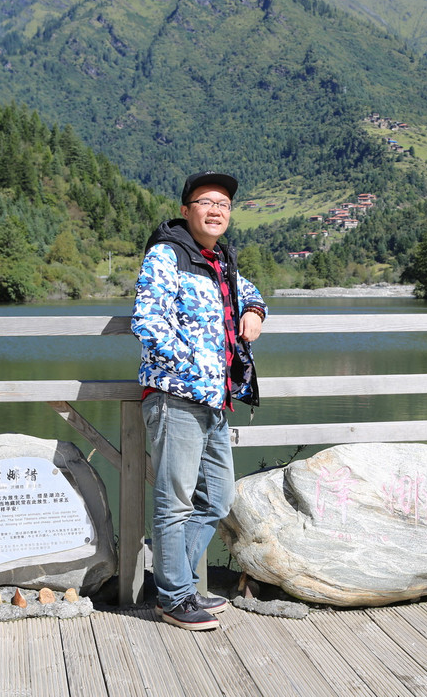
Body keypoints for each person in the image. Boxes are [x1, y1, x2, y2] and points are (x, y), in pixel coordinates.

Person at [131, 171, 267, 630]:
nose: (216, 210)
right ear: (187, 209)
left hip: (215, 402)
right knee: (174, 502)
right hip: (176, 398)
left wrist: (253, 311)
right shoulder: (166, 255)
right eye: (206, 202)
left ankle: (182, 587)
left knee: (217, 498)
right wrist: (194, 369)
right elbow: (147, 322)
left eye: (224, 205)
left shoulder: (219, 260)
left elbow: (250, 292)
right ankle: (173, 597)